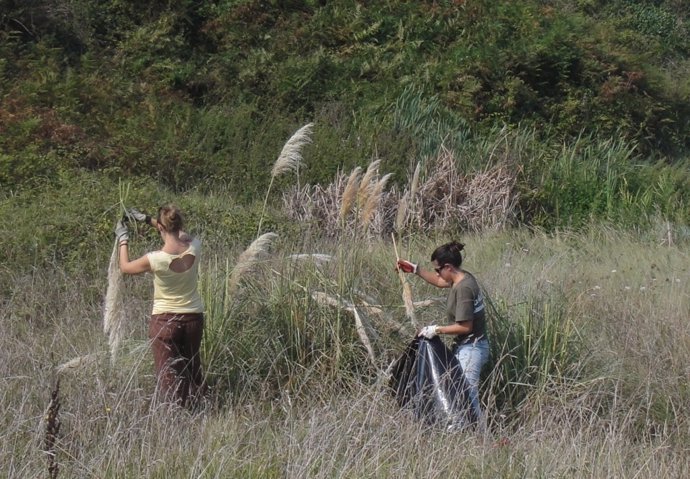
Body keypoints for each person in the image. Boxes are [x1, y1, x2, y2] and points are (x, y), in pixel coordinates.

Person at [114, 204, 205, 407]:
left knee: (168, 374)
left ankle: (177, 415)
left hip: (165, 321)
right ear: (179, 225)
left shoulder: (155, 259)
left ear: (161, 228)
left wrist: (123, 238)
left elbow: (125, 267)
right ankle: (198, 405)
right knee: (191, 366)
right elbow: (174, 231)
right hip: (193, 318)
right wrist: (147, 219)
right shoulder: (194, 245)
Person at [397, 241, 489, 425]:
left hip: (472, 348)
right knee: (460, 392)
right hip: (467, 347)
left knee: (467, 396)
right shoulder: (462, 278)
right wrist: (414, 269)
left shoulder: (463, 289)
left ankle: (480, 437)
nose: (438, 274)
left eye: (438, 270)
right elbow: (440, 282)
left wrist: (436, 329)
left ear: (448, 267)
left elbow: (465, 327)